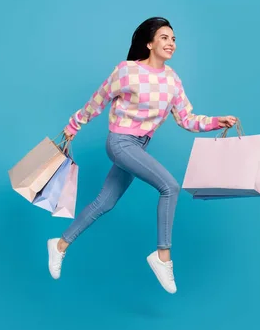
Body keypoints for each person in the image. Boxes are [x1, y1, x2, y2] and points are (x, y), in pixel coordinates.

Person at [46, 17, 237, 294]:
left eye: (173, 39)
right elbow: (97, 101)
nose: (171, 43)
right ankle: (162, 256)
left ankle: (60, 244)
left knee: (104, 202)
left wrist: (216, 122)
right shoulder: (127, 72)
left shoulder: (172, 80)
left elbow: (187, 119)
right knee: (170, 187)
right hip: (121, 142)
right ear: (149, 44)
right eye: (164, 37)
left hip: (139, 146)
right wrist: (73, 125)